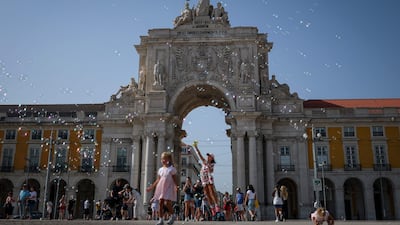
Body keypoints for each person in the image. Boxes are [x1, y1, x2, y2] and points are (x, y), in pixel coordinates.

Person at [146, 151, 179, 225]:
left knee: (167, 203)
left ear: (169, 160)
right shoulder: (160, 169)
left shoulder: (171, 169)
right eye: (162, 159)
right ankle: (161, 220)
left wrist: (176, 186)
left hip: (169, 187)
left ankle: (173, 215)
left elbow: (174, 179)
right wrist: (151, 187)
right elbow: (158, 180)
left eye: (164, 159)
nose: (162, 160)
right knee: (160, 203)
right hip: (161, 187)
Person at [192, 141, 219, 216]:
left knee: (211, 192)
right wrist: (196, 147)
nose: (207, 157)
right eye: (207, 156)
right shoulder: (204, 162)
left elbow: (211, 171)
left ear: (212, 158)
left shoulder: (211, 164)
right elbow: (199, 155)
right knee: (206, 193)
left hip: (209, 178)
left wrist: (209, 167)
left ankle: (216, 205)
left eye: (209, 156)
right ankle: (212, 207)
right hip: (203, 178)